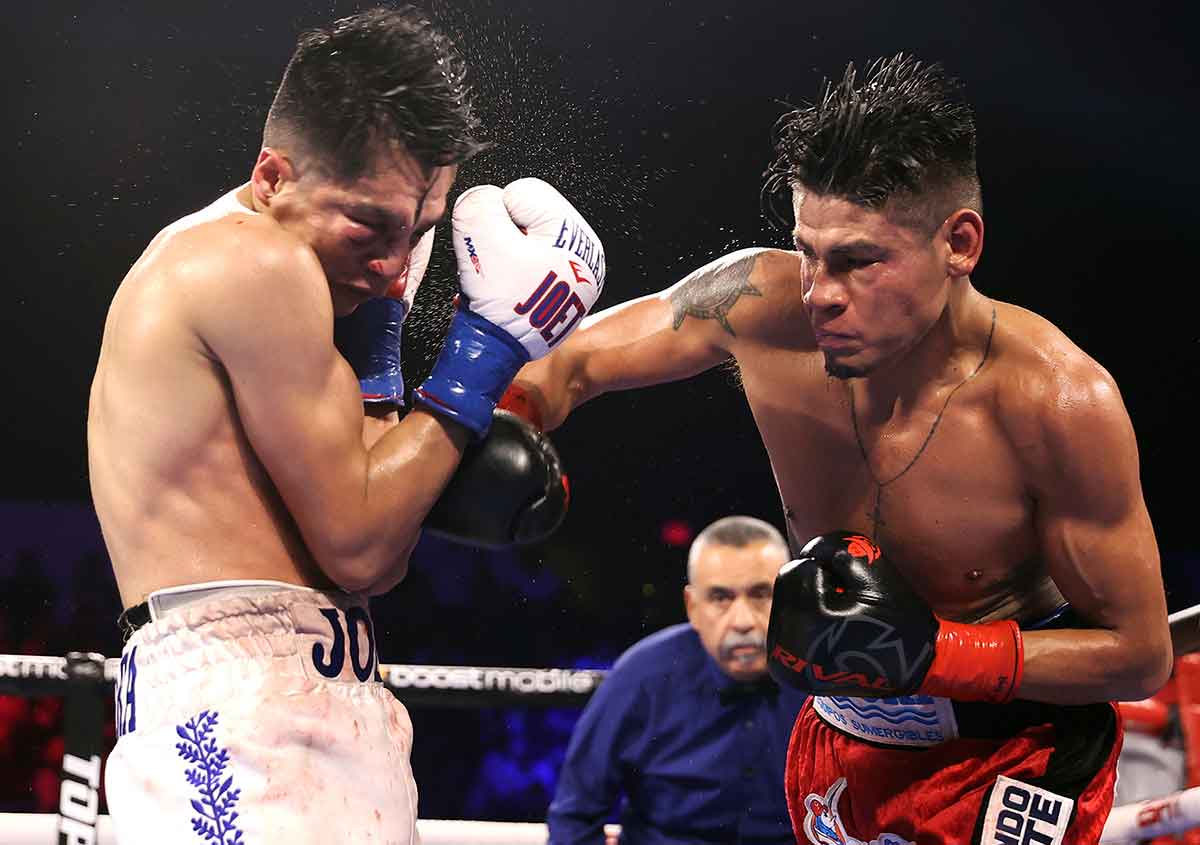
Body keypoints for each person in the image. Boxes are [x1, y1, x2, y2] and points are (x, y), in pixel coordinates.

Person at [506, 54, 1171, 844]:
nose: (820, 290)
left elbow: (1139, 654)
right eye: (809, 251)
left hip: (1012, 749)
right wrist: (518, 416)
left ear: (959, 243)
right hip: (840, 739)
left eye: (857, 260)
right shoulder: (757, 304)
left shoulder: (1054, 401)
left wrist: (937, 653)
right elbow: (571, 364)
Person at [86, 7, 603, 843]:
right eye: (370, 225)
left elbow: (377, 558)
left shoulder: (301, 286)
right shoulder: (252, 263)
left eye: (419, 231)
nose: (397, 264)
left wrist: (380, 342)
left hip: (317, 693)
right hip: (239, 723)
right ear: (272, 176)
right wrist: (483, 355)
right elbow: (359, 546)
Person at [547, 516, 806, 845]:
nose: (742, 621)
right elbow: (574, 816)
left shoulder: (829, 683)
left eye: (760, 594)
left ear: (789, 599)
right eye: (720, 598)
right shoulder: (642, 677)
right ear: (693, 606)